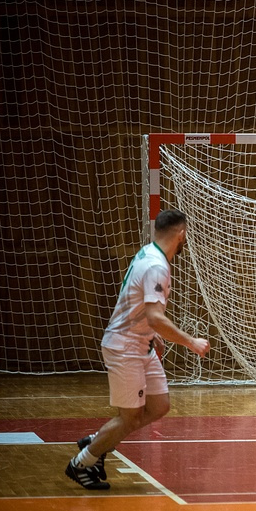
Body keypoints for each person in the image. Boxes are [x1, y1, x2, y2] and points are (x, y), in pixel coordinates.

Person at [65, 209, 210, 490]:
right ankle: (81, 462)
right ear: (181, 234)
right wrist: (191, 341)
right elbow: (155, 316)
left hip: (142, 343)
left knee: (159, 406)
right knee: (129, 417)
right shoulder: (157, 266)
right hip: (125, 347)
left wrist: (152, 334)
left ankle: (98, 440)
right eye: (186, 235)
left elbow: (138, 304)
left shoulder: (148, 253)